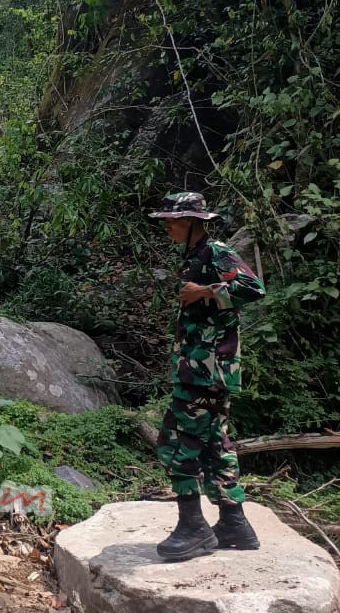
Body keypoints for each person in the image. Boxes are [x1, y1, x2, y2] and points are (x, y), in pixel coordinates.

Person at [148, 192, 265, 562]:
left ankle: (193, 527)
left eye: (172, 221)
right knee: (215, 444)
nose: (167, 226)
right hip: (203, 368)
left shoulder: (215, 251)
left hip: (207, 369)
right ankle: (234, 524)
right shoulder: (195, 254)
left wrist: (205, 291)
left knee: (176, 441)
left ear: (191, 221)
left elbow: (253, 288)